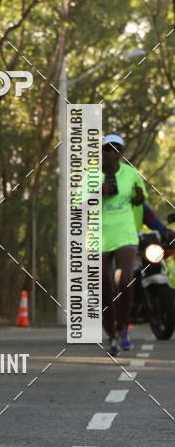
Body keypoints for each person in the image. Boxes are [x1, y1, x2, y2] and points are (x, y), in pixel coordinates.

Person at [101, 133, 145, 355]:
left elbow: (141, 200)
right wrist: (98, 192)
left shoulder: (131, 174)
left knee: (124, 280)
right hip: (97, 236)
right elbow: (76, 206)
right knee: (104, 286)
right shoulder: (90, 176)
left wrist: (139, 198)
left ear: (121, 153)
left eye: (115, 149)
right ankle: (111, 336)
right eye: (106, 149)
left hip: (125, 235)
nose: (110, 152)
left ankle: (123, 329)